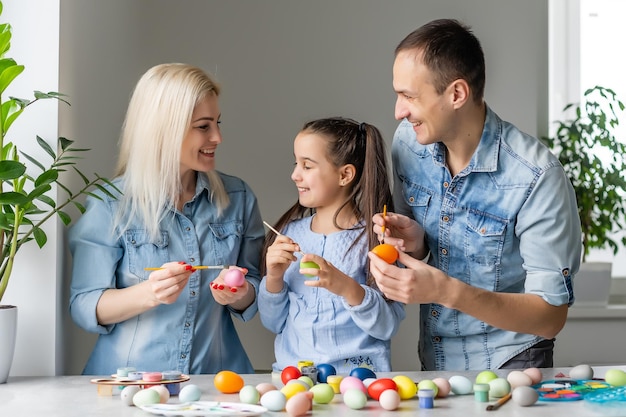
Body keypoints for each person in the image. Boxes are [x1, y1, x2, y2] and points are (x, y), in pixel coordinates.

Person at [368, 19, 582, 371]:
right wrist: (416, 245)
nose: (398, 111)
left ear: (456, 94)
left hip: (513, 363)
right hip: (436, 362)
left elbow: (550, 317)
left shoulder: (536, 176)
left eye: (409, 96)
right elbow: (427, 257)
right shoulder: (408, 143)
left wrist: (445, 291)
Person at [69, 63, 264, 375]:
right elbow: (84, 306)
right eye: (204, 126)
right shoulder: (109, 202)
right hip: (128, 387)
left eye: (217, 123)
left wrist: (240, 294)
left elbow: (254, 290)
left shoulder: (238, 197)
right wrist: (149, 293)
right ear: (165, 129)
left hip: (216, 383)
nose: (218, 136)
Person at [258, 117, 406, 374]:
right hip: (293, 382)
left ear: (345, 174)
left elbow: (387, 326)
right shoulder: (289, 234)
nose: (294, 175)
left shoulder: (377, 240)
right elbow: (273, 323)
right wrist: (274, 277)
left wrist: (345, 286)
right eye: (296, 163)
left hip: (358, 384)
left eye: (307, 166)